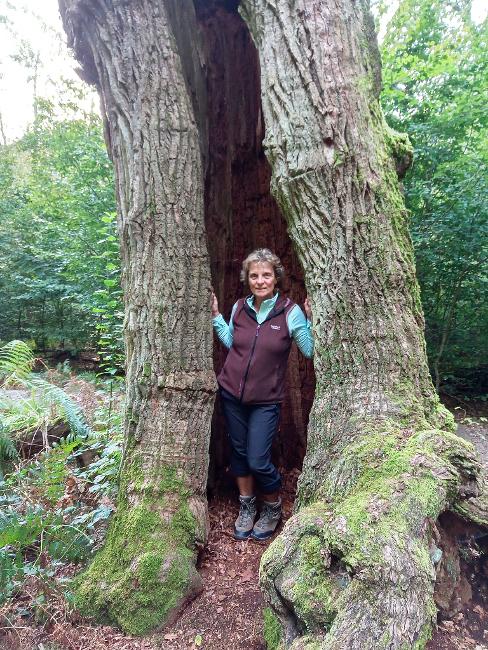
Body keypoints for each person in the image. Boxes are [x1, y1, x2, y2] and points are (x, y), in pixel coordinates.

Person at [211, 248, 313, 540]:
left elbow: (308, 349)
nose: (260, 280)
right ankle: (247, 506)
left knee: (257, 459)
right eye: (254, 275)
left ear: (276, 277)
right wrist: (217, 316)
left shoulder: (289, 311)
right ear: (247, 278)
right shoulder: (240, 308)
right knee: (239, 454)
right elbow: (234, 343)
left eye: (266, 275)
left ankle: (271, 505)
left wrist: (312, 319)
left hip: (266, 400)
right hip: (231, 394)